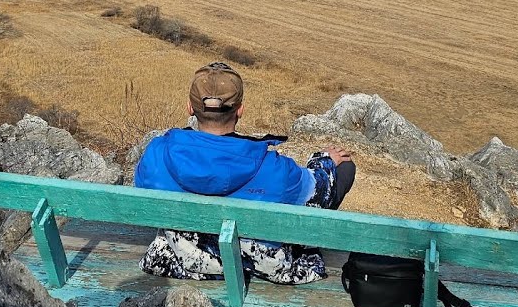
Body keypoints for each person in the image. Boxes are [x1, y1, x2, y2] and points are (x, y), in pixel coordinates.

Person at [133, 62, 356, 284]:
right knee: (345, 168)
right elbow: (320, 194)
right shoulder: (275, 168)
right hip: (260, 265)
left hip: (177, 259)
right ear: (240, 109)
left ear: (190, 108)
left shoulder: (156, 153)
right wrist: (324, 160)